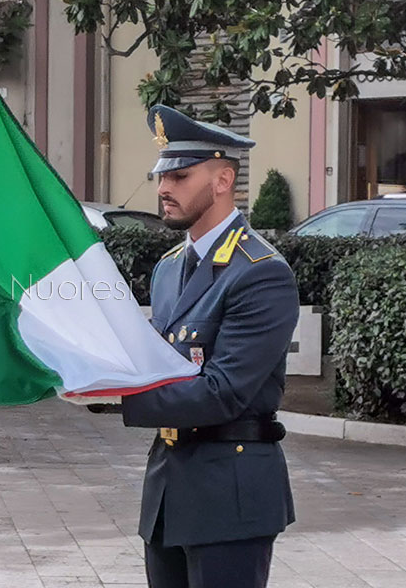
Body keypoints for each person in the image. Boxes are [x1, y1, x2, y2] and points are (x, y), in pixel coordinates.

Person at [120, 105, 300, 588]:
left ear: (223, 180)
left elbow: (223, 392)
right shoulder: (168, 268)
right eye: (161, 176)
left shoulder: (261, 271)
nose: (163, 189)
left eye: (179, 176)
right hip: (169, 487)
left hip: (230, 491)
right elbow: (162, 366)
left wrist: (121, 398)